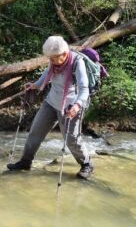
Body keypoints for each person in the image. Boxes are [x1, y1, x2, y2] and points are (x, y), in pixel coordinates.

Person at [6, 36, 93, 179]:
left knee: (71, 139)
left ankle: (87, 164)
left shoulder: (78, 62)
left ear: (64, 54)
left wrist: (77, 105)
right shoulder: (54, 62)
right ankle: (25, 162)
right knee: (35, 131)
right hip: (51, 102)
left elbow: (84, 89)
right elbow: (47, 73)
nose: (50, 61)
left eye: (53, 58)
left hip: (71, 105)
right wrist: (35, 85)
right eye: (49, 58)